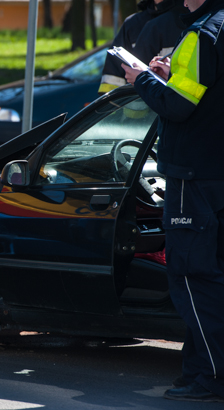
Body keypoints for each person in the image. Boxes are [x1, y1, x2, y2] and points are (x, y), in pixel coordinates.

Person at [122, 0, 224, 402]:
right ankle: (202, 371)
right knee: (213, 277)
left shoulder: (203, 33)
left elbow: (178, 107)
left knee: (193, 278)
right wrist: (165, 77)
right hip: (215, 173)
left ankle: (210, 376)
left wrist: (143, 79)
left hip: (193, 176)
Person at [99, 0, 181, 94]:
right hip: (136, 106)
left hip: (171, 105)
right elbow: (111, 84)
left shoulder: (190, 21)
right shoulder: (133, 24)